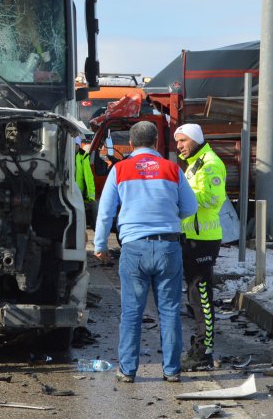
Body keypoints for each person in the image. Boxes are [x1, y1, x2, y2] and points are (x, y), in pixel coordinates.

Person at [94, 121, 198, 384]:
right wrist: (168, 216)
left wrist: (100, 246)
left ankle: (128, 370)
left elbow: (105, 212)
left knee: (132, 312)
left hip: (134, 249)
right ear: (156, 143)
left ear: (130, 143)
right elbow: (190, 207)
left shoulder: (119, 169)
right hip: (168, 247)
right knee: (170, 311)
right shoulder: (172, 169)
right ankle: (171, 371)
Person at [172, 123, 227, 369]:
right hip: (193, 237)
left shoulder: (210, 163)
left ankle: (204, 353)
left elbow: (213, 199)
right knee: (195, 296)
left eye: (183, 140)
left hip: (203, 240)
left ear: (195, 139)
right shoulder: (196, 163)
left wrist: (179, 196)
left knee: (202, 296)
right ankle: (199, 348)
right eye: (177, 142)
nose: (179, 146)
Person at [74, 137, 97, 222]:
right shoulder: (64, 155)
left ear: (79, 145)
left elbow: (88, 176)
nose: (74, 147)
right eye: (73, 144)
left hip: (79, 193)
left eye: (76, 145)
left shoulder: (83, 156)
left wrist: (90, 196)